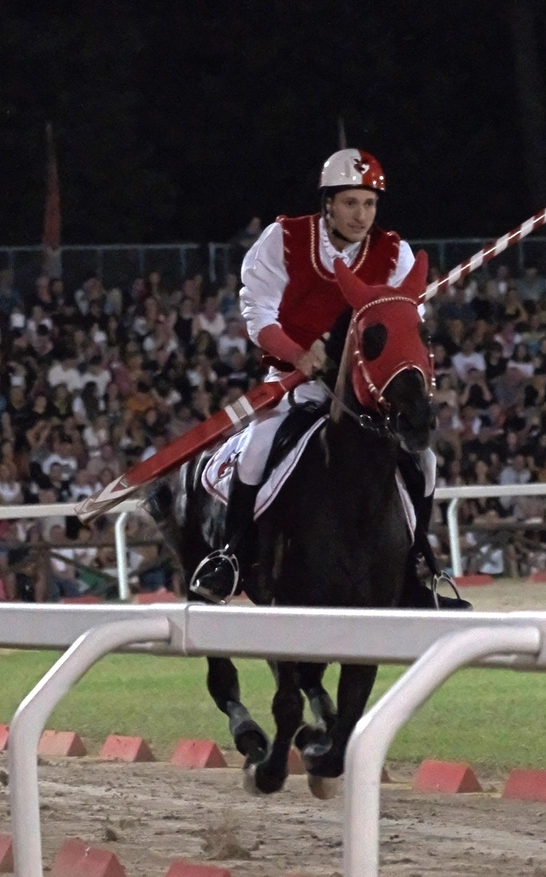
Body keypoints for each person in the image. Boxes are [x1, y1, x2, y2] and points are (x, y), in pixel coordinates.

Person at [189, 148, 466, 610]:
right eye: (351, 203)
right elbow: (258, 313)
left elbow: (401, 324)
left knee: (427, 462)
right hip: (295, 380)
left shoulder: (394, 251)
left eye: (370, 204)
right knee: (258, 448)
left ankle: (419, 567)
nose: (362, 215)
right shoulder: (283, 239)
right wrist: (301, 355)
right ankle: (231, 554)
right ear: (328, 204)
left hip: (362, 389)